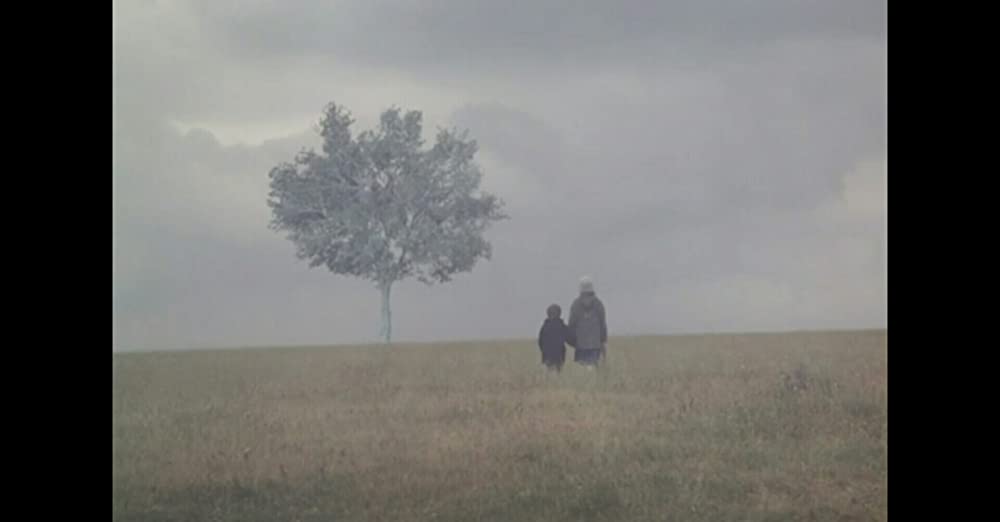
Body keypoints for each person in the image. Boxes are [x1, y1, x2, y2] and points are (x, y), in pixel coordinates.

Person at [567, 276, 607, 368]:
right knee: (594, 368)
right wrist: (603, 339)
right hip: (595, 344)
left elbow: (572, 324)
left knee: (582, 370)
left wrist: (572, 341)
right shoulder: (598, 304)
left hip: (580, 344)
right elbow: (602, 323)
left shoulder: (576, 304)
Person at [537, 304, 569, 372]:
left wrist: (544, 350)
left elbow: (540, 342)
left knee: (549, 373)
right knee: (558, 373)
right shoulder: (561, 326)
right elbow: (570, 337)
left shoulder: (545, 326)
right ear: (559, 313)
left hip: (547, 355)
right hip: (559, 355)